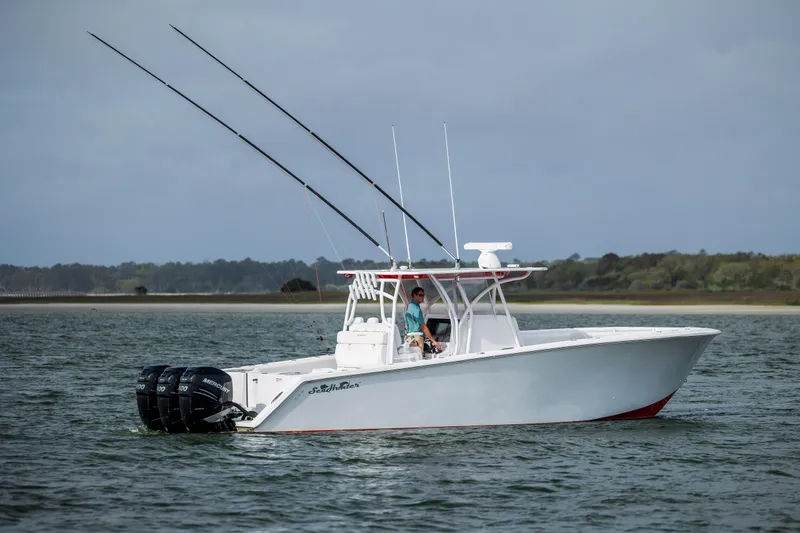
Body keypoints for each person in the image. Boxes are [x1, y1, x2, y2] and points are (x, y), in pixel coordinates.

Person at [405, 287, 441, 354]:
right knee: (419, 356)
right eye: (420, 295)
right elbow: (423, 327)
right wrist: (433, 341)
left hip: (408, 337)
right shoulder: (417, 309)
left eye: (423, 295)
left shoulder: (408, 306)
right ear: (414, 295)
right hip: (417, 338)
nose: (422, 297)